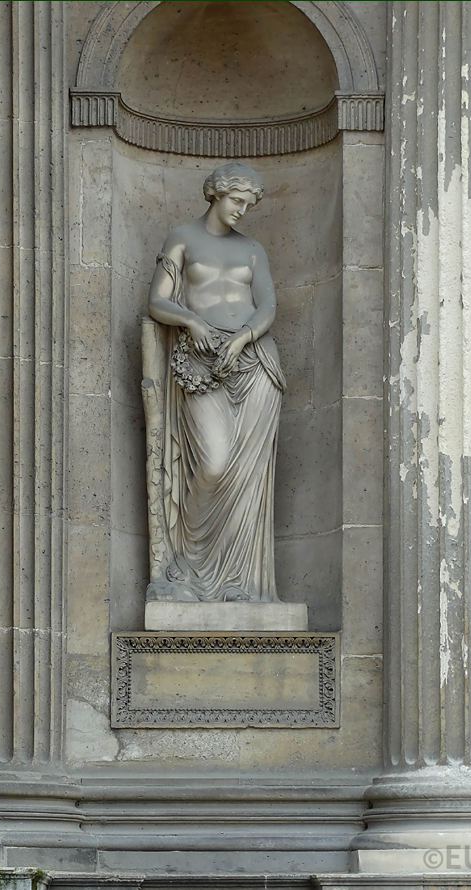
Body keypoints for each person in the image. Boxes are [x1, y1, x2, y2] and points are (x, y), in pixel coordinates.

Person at [146, 162, 286, 602]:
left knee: (247, 475)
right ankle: (186, 566)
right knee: (214, 464)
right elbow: (156, 302)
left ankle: (237, 582)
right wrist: (190, 321)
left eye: (249, 204)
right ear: (216, 194)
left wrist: (243, 337)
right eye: (237, 200)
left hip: (254, 363)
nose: (243, 210)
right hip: (200, 362)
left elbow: (267, 307)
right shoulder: (183, 238)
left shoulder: (253, 250)